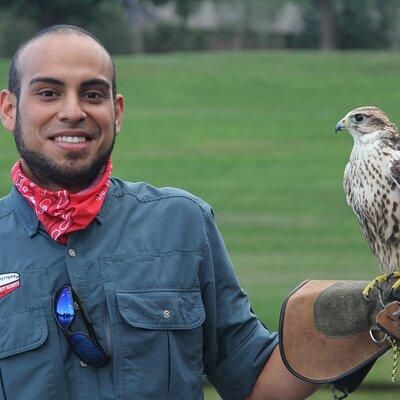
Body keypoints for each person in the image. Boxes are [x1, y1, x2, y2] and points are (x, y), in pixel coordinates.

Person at [0, 25, 318, 400]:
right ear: (10, 109)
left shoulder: (182, 224)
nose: (73, 111)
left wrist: (353, 328)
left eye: (92, 94)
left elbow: (254, 380)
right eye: (49, 93)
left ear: (116, 113)